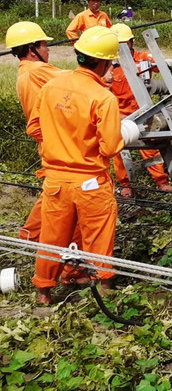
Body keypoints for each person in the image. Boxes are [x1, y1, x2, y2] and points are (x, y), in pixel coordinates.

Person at [27, 26, 128, 304]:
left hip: (56, 181)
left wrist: (60, 139)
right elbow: (110, 147)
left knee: (52, 238)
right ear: (106, 62)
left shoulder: (50, 86)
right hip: (91, 183)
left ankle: (44, 293)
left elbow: (34, 127)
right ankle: (104, 291)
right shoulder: (103, 97)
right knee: (98, 237)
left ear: (78, 54)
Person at [5, 22, 70, 242]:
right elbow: (77, 81)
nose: (48, 49)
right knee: (61, 195)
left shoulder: (24, 73)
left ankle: (29, 235)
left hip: (49, 141)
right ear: (32, 49)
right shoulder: (38, 70)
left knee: (57, 193)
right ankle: (30, 235)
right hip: (57, 141)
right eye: (44, 44)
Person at [110, 23, 172, 197]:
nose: (121, 48)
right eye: (118, 44)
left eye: (125, 43)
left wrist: (164, 63)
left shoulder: (142, 58)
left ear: (132, 42)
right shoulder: (110, 66)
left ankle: (161, 181)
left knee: (151, 145)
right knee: (119, 150)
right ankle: (125, 184)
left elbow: (157, 63)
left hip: (143, 112)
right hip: (120, 114)